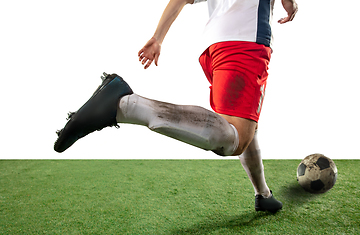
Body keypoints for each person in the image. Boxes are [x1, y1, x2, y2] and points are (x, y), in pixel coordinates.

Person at [54, 0, 298, 213]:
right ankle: (122, 105)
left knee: (245, 122)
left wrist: (158, 37)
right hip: (247, 41)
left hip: (213, 46)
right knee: (235, 139)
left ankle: (263, 194)